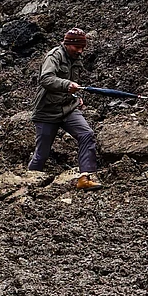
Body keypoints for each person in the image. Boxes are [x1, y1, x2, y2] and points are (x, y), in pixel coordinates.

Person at [28, 27, 102, 190]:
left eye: (83, 47)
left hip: (68, 108)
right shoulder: (54, 56)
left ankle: (85, 178)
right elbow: (45, 79)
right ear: (68, 44)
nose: (81, 51)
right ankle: (29, 182)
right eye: (77, 47)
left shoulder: (75, 57)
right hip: (47, 111)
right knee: (42, 153)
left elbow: (72, 84)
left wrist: (76, 96)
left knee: (86, 134)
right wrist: (67, 85)